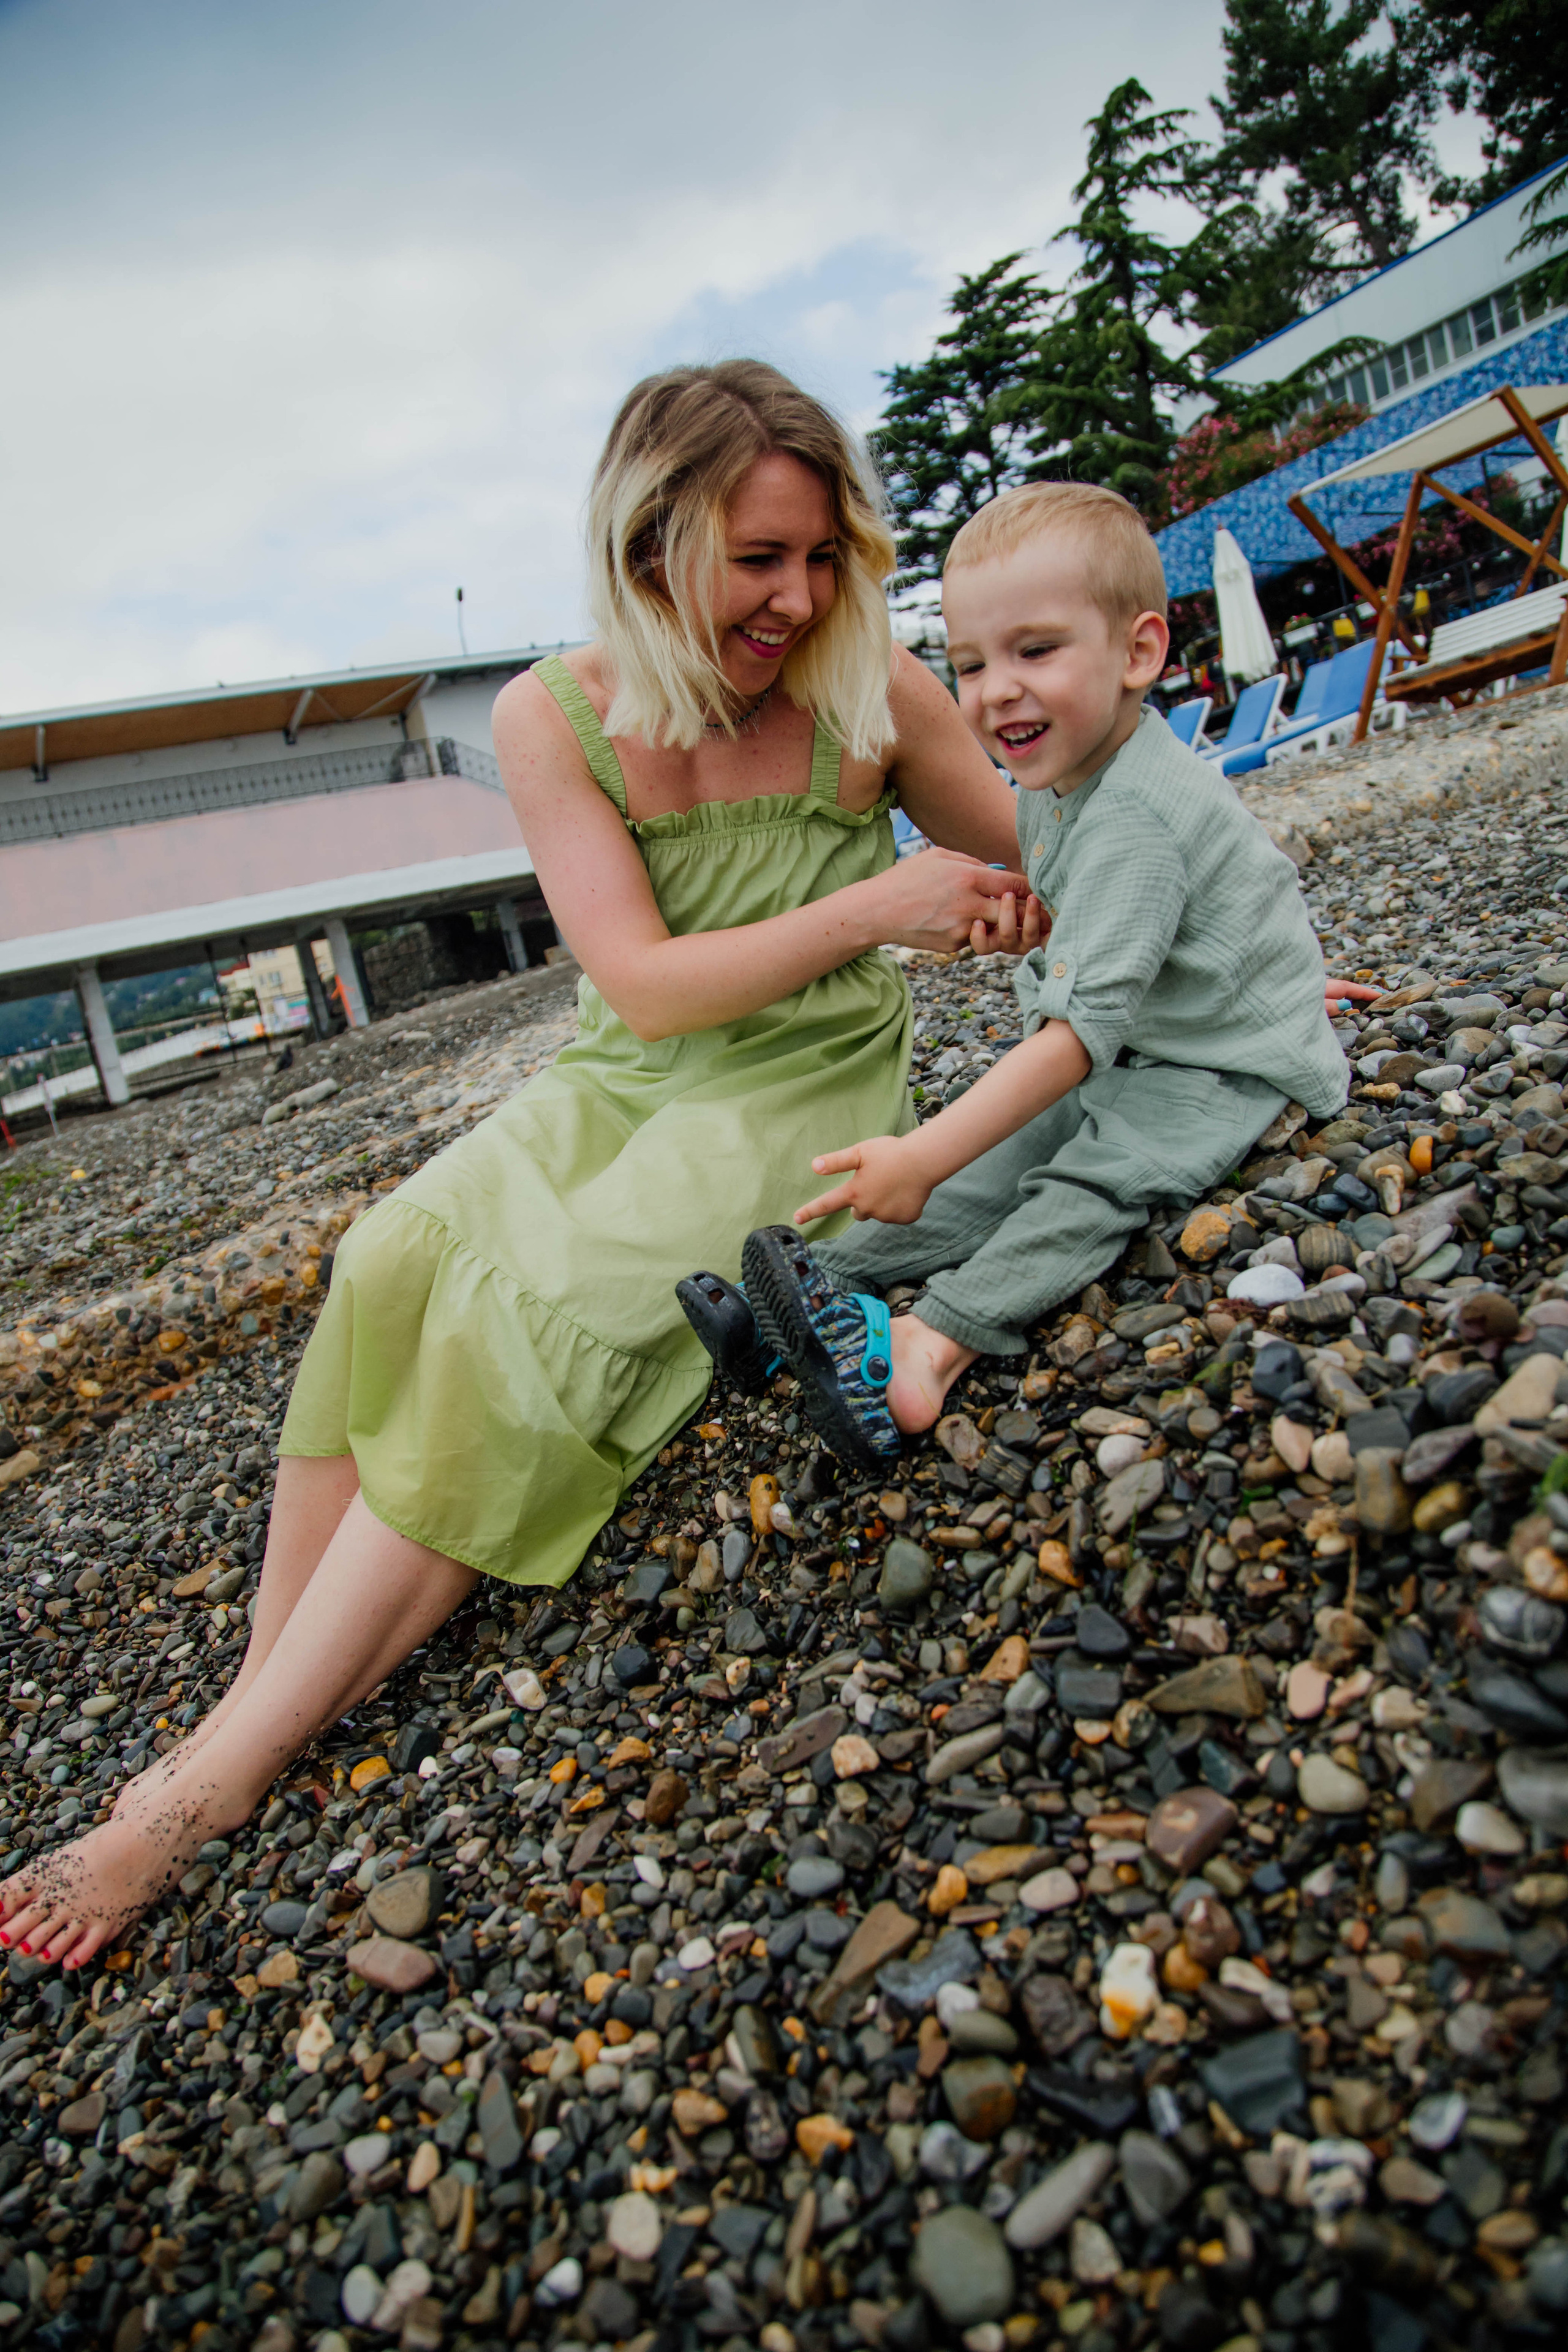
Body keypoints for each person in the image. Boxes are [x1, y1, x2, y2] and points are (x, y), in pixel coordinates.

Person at [0, 360, 1027, 1971]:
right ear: (648, 541)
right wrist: (877, 904)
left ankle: (205, 1788)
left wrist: (1216, 974)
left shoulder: (870, 686)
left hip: (801, 1082)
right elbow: (644, 990)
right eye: (760, 558)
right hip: (629, 1071)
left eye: (824, 557)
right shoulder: (554, 716)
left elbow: (1051, 849)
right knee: (390, 1258)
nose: (798, 596)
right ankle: (262, 1693)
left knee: (530, 1323)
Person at [687, 481, 1350, 1471]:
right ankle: (806, 1293)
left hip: (1221, 1067)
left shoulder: (1134, 819)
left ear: (1139, 653)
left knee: (1090, 1181)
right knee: (994, 1163)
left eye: (1034, 651)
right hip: (1150, 1036)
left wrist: (921, 1153)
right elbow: (1132, 930)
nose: (996, 689)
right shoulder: (1060, 781)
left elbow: (1073, 1042)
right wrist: (1039, 931)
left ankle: (932, 1344)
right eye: (970, 663)